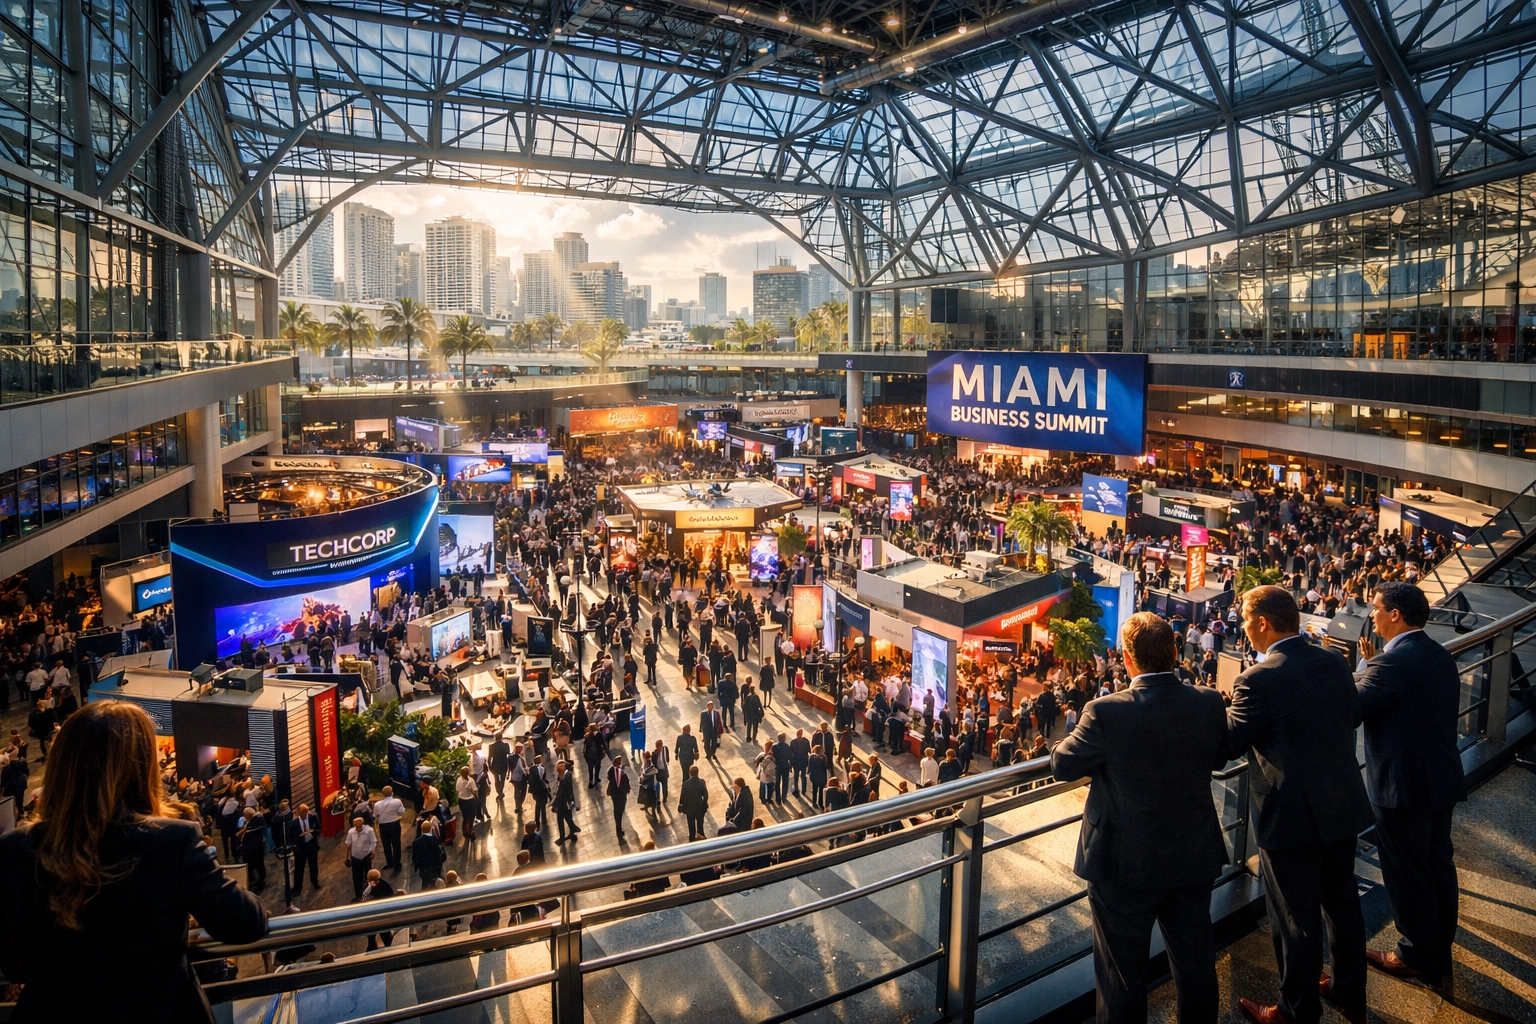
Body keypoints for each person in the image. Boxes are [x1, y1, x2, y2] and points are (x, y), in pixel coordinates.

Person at [0, 701, 267, 1021]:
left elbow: (13, 963)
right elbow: (244, 922)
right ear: (140, 767)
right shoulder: (173, 840)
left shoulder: (14, 848)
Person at [1050, 612, 1229, 1024]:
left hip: (1123, 863)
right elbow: (1219, 757)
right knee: (1195, 961)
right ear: (1174, 653)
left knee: (1122, 976)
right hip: (1192, 854)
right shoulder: (1206, 701)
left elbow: (1063, 764)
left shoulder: (1105, 711)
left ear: (1127, 660)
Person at [1226, 586, 1373, 1024]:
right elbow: (1352, 715)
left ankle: (1295, 1011)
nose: (1244, 629)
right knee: (1343, 903)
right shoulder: (1332, 661)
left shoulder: (1258, 678)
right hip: (1342, 803)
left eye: (1246, 620)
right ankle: (1349, 990)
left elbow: (1231, 744)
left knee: (1295, 918)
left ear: (1264, 623)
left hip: (1291, 818)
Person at [1355, 582, 1464, 987]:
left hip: (1402, 788)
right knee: (1437, 864)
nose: (1372, 616)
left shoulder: (1392, 663)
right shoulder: (1438, 655)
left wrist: (1365, 672)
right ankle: (1438, 947)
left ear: (1395, 614)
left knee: (1407, 871)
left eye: (1377, 609)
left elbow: (1354, 708)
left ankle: (1416, 954)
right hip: (1439, 779)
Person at [289, 803, 322, 895]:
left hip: (311, 846)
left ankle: (314, 881)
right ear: (298, 812)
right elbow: (290, 836)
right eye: (302, 812)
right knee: (299, 868)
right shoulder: (294, 823)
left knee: (313, 866)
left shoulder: (312, 817)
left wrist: (313, 832)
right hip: (300, 849)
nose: (304, 814)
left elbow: (318, 828)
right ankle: (297, 887)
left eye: (305, 812)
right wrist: (297, 840)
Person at [344, 816, 377, 901]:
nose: (358, 828)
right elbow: (348, 844)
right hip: (355, 857)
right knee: (356, 877)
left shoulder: (369, 831)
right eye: (356, 826)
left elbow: (373, 841)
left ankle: (369, 893)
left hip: (366, 856)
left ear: (362, 824)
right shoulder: (351, 832)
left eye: (359, 825)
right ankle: (358, 895)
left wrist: (373, 852)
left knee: (368, 875)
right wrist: (346, 857)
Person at [375, 785, 405, 872]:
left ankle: (389, 862)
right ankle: (397, 863)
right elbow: (402, 811)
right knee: (396, 844)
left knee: (386, 845)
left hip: (383, 826)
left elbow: (375, 816)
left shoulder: (377, 804)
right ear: (392, 793)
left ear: (383, 794)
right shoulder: (397, 801)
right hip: (395, 824)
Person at [679, 765, 710, 840]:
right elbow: (705, 794)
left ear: (690, 773)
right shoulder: (701, 782)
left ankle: (692, 839)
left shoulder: (685, 784)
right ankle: (700, 836)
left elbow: (682, 796)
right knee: (700, 825)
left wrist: (681, 805)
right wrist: (704, 803)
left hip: (689, 808)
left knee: (691, 825)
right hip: (699, 807)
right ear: (697, 773)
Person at [553, 760, 580, 844]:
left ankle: (573, 832)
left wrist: (554, 804)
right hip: (564, 802)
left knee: (567, 818)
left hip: (565, 802)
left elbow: (562, 791)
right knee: (564, 819)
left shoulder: (566, 776)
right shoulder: (563, 776)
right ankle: (569, 834)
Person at [412, 820, 445, 888]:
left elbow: (415, 857)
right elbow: (441, 852)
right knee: (436, 883)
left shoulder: (416, 842)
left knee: (425, 884)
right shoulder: (436, 840)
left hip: (424, 868)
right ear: (430, 828)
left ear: (421, 829)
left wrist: (417, 866)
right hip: (436, 866)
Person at [607, 754, 632, 842]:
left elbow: (608, 777)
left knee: (616, 812)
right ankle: (619, 830)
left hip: (614, 795)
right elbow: (626, 786)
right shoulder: (622, 774)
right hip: (620, 796)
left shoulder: (610, 770)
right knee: (619, 813)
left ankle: (619, 829)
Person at [456, 765, 480, 842]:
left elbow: (457, 789)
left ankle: (465, 832)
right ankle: (469, 831)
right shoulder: (471, 781)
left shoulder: (459, 779)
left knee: (465, 817)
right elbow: (475, 790)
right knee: (472, 816)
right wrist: (477, 798)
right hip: (470, 800)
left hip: (461, 800)